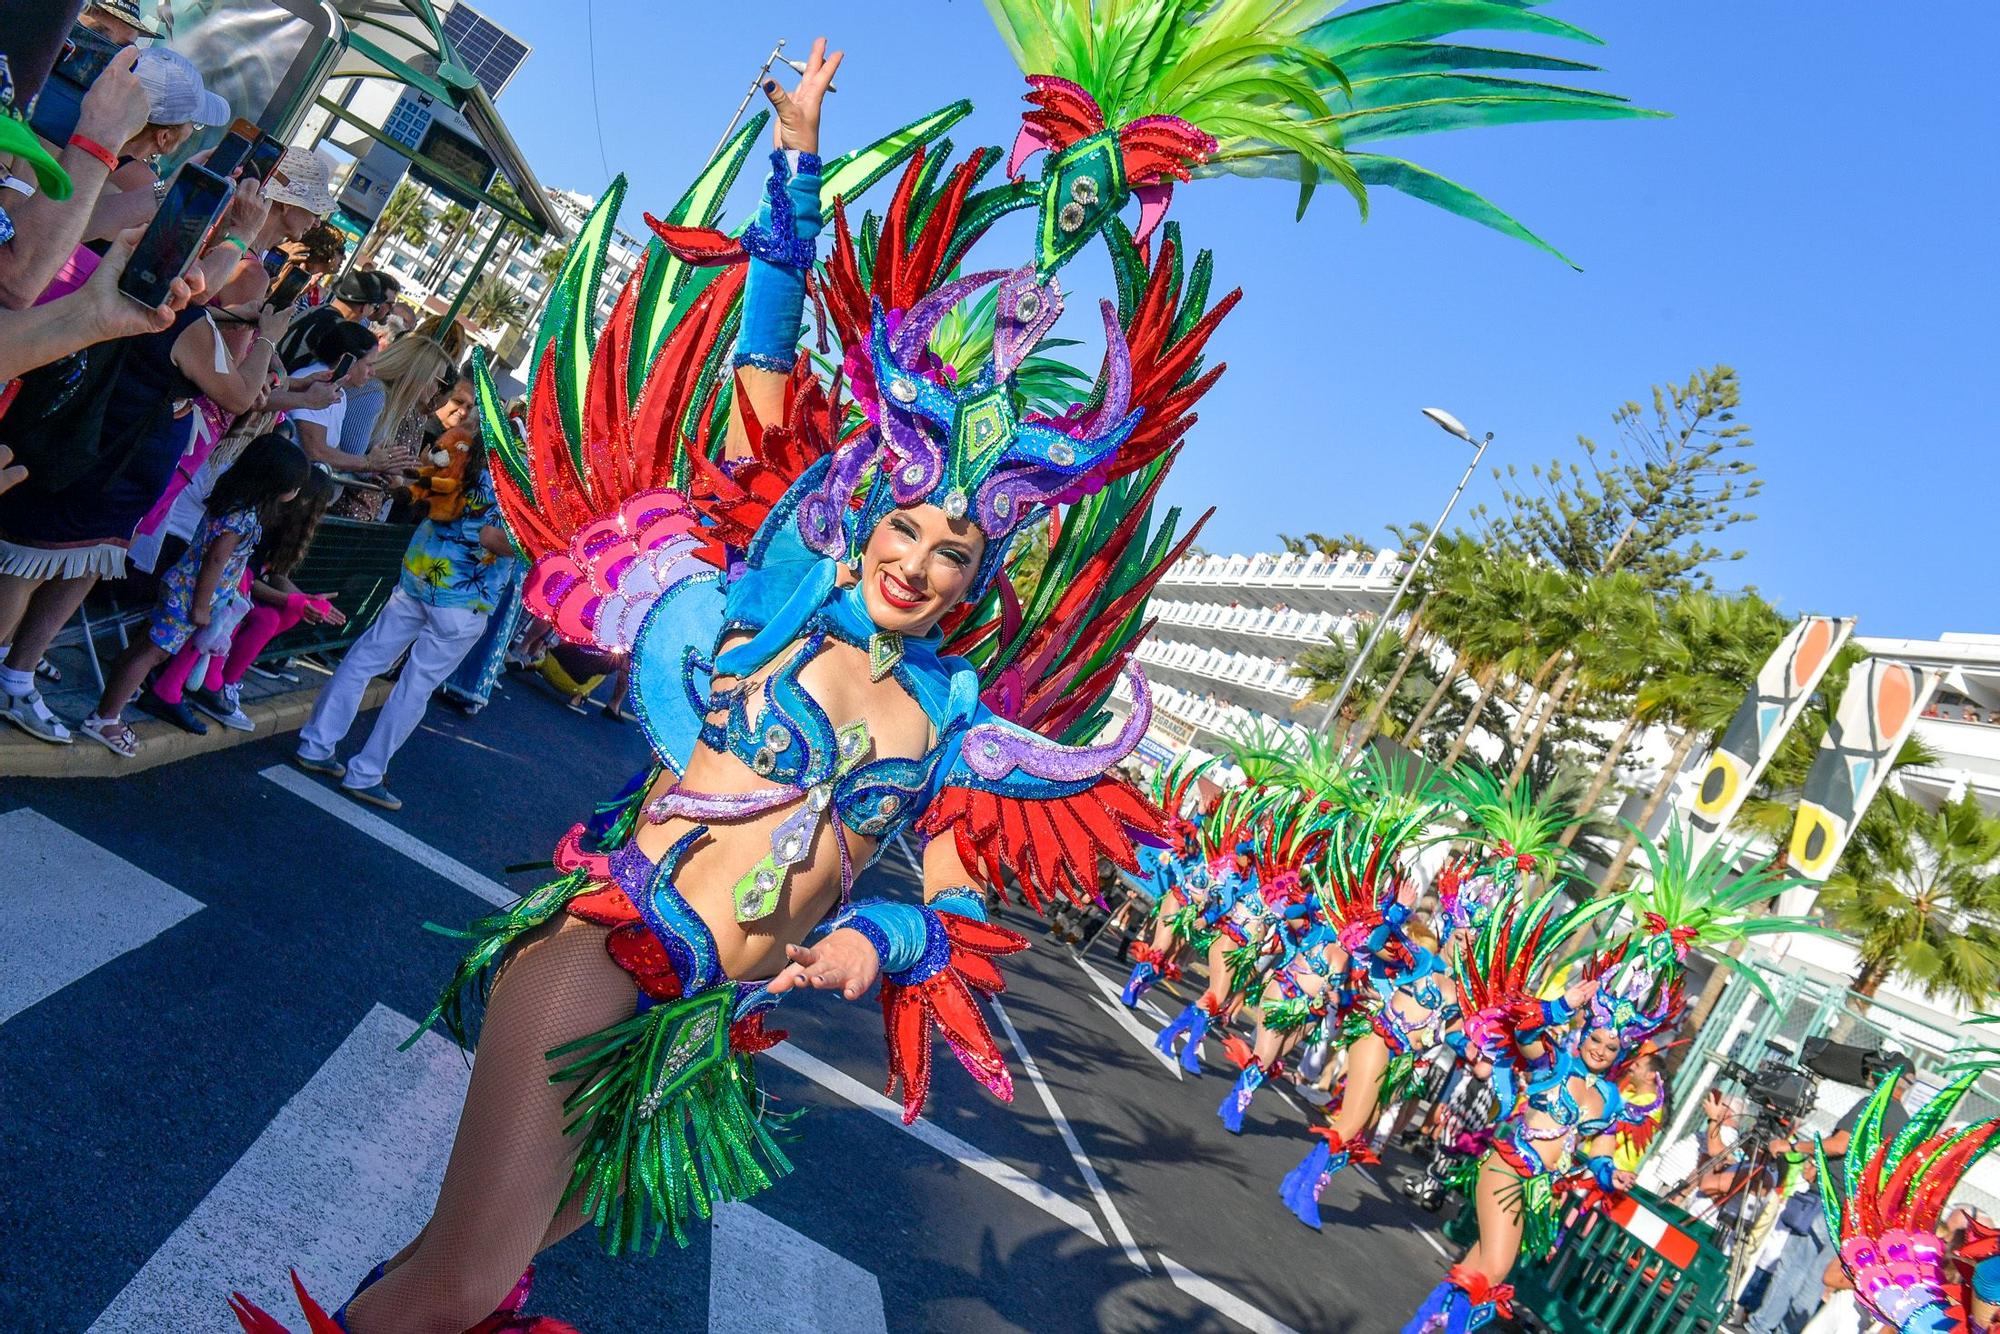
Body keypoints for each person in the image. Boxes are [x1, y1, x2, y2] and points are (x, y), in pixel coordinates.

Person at [234, 32, 1241, 1332]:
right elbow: (770, 352)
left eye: (957, 548)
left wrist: (860, 946)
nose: (924, 559)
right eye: (909, 528)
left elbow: (949, 904)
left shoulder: (953, 717)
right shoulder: (776, 598)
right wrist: (799, 157)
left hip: (708, 1017)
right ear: (872, 520)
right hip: (611, 944)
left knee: (495, 1276)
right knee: (466, 1277)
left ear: (979, 574)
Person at [0, 263, 287, 743]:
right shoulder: (185, 320)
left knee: (74, 570)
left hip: (113, 473)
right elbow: (238, 396)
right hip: (96, 463)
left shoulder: (181, 309)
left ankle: (17, 676)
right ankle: (11, 674)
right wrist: (269, 339)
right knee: (27, 566)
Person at [294, 417, 514, 809]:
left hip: (417, 576)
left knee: (364, 658)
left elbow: (428, 493)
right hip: (462, 601)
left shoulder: (462, 455)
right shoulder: (518, 483)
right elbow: (491, 538)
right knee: (415, 685)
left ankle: (316, 744)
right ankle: (366, 773)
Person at [80, 433, 307, 753]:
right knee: (151, 652)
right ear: (274, 482)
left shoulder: (238, 504)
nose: (296, 492)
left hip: (185, 590)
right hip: (189, 596)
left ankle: (108, 709)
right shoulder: (240, 516)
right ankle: (105, 718)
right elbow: (216, 560)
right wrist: (201, 607)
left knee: (145, 648)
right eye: (294, 485)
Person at [153, 466, 346, 732]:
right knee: (255, 613)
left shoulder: (281, 526)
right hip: (204, 587)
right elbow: (240, 573)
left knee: (276, 612)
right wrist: (294, 601)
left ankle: (219, 683)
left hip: (225, 590)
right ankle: (200, 684)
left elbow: (274, 574)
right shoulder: (255, 518)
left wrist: (307, 600)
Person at [1744, 1059, 1913, 1334]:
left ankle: (1759, 1328)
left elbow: (1840, 1144)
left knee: (1792, 1266)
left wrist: (1792, 1146)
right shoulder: (1905, 1123)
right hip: (1856, 1216)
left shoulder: (1873, 1105)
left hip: (1831, 1200)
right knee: (1815, 1279)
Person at [277, 269, 381, 369]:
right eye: (374, 307)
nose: (372, 312)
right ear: (364, 307)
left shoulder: (319, 310)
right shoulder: (336, 330)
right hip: (281, 381)